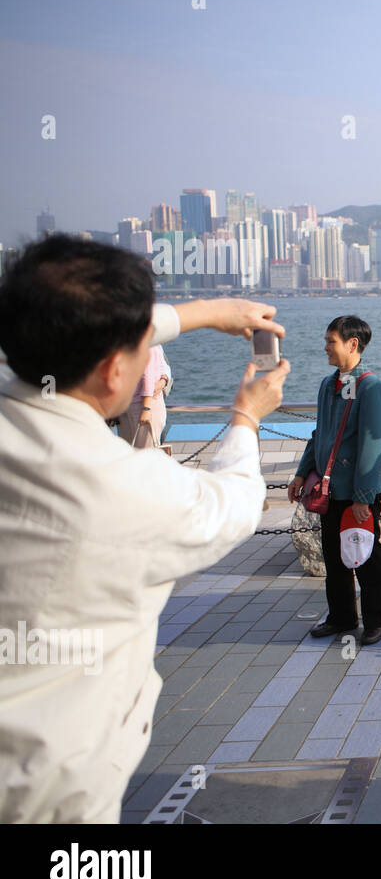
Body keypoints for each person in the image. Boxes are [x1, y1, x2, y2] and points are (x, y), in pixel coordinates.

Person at [0, 235, 289, 823]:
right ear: (116, 373)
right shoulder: (119, 487)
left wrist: (203, 314)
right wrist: (245, 417)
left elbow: (81, 332)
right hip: (49, 800)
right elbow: (231, 504)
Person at [289, 316, 381, 647]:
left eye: (331, 341)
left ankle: (375, 622)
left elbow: (373, 446)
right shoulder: (326, 385)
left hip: (356, 494)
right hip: (329, 490)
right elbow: (320, 435)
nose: (325, 347)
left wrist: (363, 496)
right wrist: (302, 473)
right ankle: (342, 617)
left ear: (352, 344)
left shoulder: (371, 388)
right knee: (334, 557)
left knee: (366, 557)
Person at [116, 344, 171, 449]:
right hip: (138, 405)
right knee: (143, 454)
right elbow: (149, 373)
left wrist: (164, 380)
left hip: (134, 405)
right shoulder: (145, 340)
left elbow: (154, 370)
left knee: (136, 454)